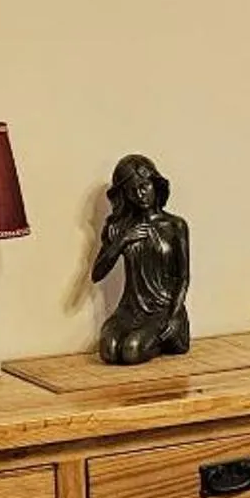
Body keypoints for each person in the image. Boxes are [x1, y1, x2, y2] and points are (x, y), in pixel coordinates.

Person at [92, 154, 192, 364]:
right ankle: (148, 338)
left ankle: (169, 338)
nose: (140, 194)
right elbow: (97, 274)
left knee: (131, 350)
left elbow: (183, 277)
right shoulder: (119, 228)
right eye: (132, 190)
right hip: (130, 309)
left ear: (155, 183)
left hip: (163, 309)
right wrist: (121, 241)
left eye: (144, 185)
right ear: (125, 195)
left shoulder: (175, 226)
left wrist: (174, 317)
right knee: (108, 350)